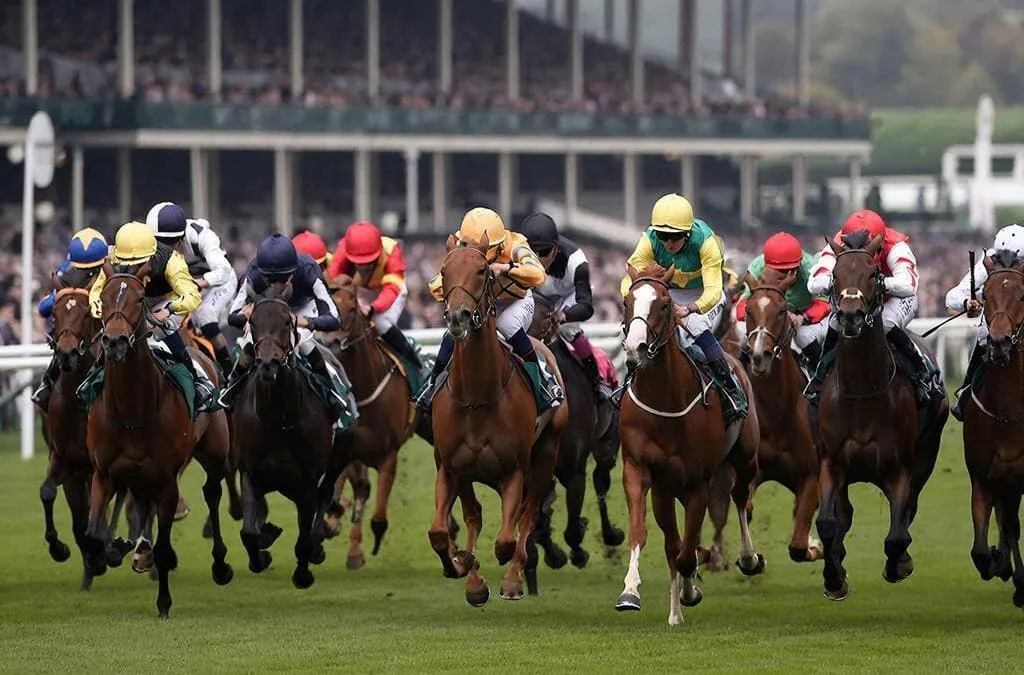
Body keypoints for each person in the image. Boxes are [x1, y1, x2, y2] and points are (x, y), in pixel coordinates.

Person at [416, 207, 562, 414]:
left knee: (507, 325)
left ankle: (543, 385)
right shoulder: (461, 247)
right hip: (484, 301)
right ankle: (431, 385)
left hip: (516, 300)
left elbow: (538, 275)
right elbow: (436, 287)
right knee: (452, 333)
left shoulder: (516, 244)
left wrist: (506, 268)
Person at [619, 193, 747, 425]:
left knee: (695, 327)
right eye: (663, 235)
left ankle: (730, 394)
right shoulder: (649, 239)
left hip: (703, 294)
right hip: (671, 292)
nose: (668, 243)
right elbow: (630, 277)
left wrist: (690, 309)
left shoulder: (707, 242)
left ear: (687, 234)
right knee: (640, 327)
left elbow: (713, 291)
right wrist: (634, 300)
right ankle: (627, 384)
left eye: (675, 237)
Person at [804, 209, 943, 406]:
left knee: (885, 321)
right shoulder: (837, 244)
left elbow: (908, 285)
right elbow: (814, 283)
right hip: (856, 299)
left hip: (896, 298)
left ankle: (923, 373)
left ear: (879, 243)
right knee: (835, 322)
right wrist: (840, 281)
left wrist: (878, 283)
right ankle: (820, 376)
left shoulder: (896, 247)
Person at [88, 221, 217, 411]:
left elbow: (192, 295)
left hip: (164, 302)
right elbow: (96, 294)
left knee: (164, 330)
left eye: (138, 263)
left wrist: (169, 310)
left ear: (150, 255)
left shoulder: (171, 259)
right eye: (126, 263)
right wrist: (105, 315)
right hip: (128, 302)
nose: (132, 268)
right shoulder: (112, 259)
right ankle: (94, 375)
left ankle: (197, 379)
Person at [218, 233, 349, 418]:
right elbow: (233, 316)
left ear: (293, 271)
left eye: (282, 279)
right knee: (249, 340)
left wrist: (304, 322)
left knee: (304, 342)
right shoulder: (253, 273)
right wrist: (251, 315)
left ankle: (330, 390)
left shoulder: (309, 270)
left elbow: (334, 319)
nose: (277, 285)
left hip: (301, 308)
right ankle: (231, 384)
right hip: (267, 309)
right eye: (270, 280)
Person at [518, 211, 610, 402]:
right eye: (531, 252)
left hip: (568, 296)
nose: (536, 259)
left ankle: (596, 381)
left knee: (569, 330)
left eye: (543, 253)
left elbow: (586, 307)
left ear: (555, 248)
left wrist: (563, 315)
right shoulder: (516, 254)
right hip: (539, 297)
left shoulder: (577, 262)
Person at [326, 221, 428, 393]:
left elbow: (391, 290)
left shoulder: (392, 252)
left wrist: (372, 308)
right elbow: (334, 284)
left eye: (369, 261)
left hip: (388, 289)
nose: (364, 266)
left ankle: (416, 366)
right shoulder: (343, 250)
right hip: (359, 290)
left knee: (381, 324)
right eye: (359, 262)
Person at [146, 202, 237, 375]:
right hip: (183, 286)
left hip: (217, 283)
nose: (165, 248)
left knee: (204, 314)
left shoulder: (201, 236)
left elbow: (223, 271)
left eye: (171, 243)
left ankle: (229, 372)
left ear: (182, 238)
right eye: (160, 242)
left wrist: (198, 283)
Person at [944, 223, 1024, 421]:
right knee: (985, 337)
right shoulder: (987, 263)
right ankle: (967, 389)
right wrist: (967, 302)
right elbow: (952, 296)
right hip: (995, 328)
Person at [31, 227, 109, 410]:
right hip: (78, 333)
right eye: (82, 269)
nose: (86, 274)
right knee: (64, 342)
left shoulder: (111, 268)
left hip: (106, 329)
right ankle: (48, 384)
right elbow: (44, 309)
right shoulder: (66, 271)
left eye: (92, 269)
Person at [736, 232, 829, 372]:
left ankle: (819, 375)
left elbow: (823, 304)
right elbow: (741, 306)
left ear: (799, 264)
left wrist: (802, 318)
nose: (784, 276)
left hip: (805, 315)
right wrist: (759, 317)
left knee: (803, 336)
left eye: (789, 270)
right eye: (778, 271)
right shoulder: (757, 267)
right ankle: (738, 377)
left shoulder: (811, 268)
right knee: (745, 335)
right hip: (771, 315)